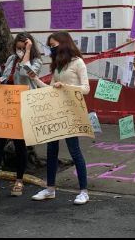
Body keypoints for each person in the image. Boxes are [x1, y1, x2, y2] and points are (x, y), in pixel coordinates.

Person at [0, 33, 43, 199]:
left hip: (22, 106)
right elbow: (6, 77)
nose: (20, 51)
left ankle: (19, 181)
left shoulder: (36, 61)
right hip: (5, 106)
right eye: (18, 48)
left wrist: (27, 52)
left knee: (20, 144)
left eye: (23, 48)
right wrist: (0, 79)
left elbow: (26, 74)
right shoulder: (11, 59)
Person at [30, 31, 91, 205]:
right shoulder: (57, 65)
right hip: (56, 111)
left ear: (63, 44)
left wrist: (65, 86)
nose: (51, 49)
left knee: (74, 150)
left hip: (71, 112)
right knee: (51, 150)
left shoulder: (78, 62)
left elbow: (86, 89)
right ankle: (50, 189)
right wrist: (36, 80)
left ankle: (84, 191)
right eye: (50, 46)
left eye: (53, 45)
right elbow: (51, 89)